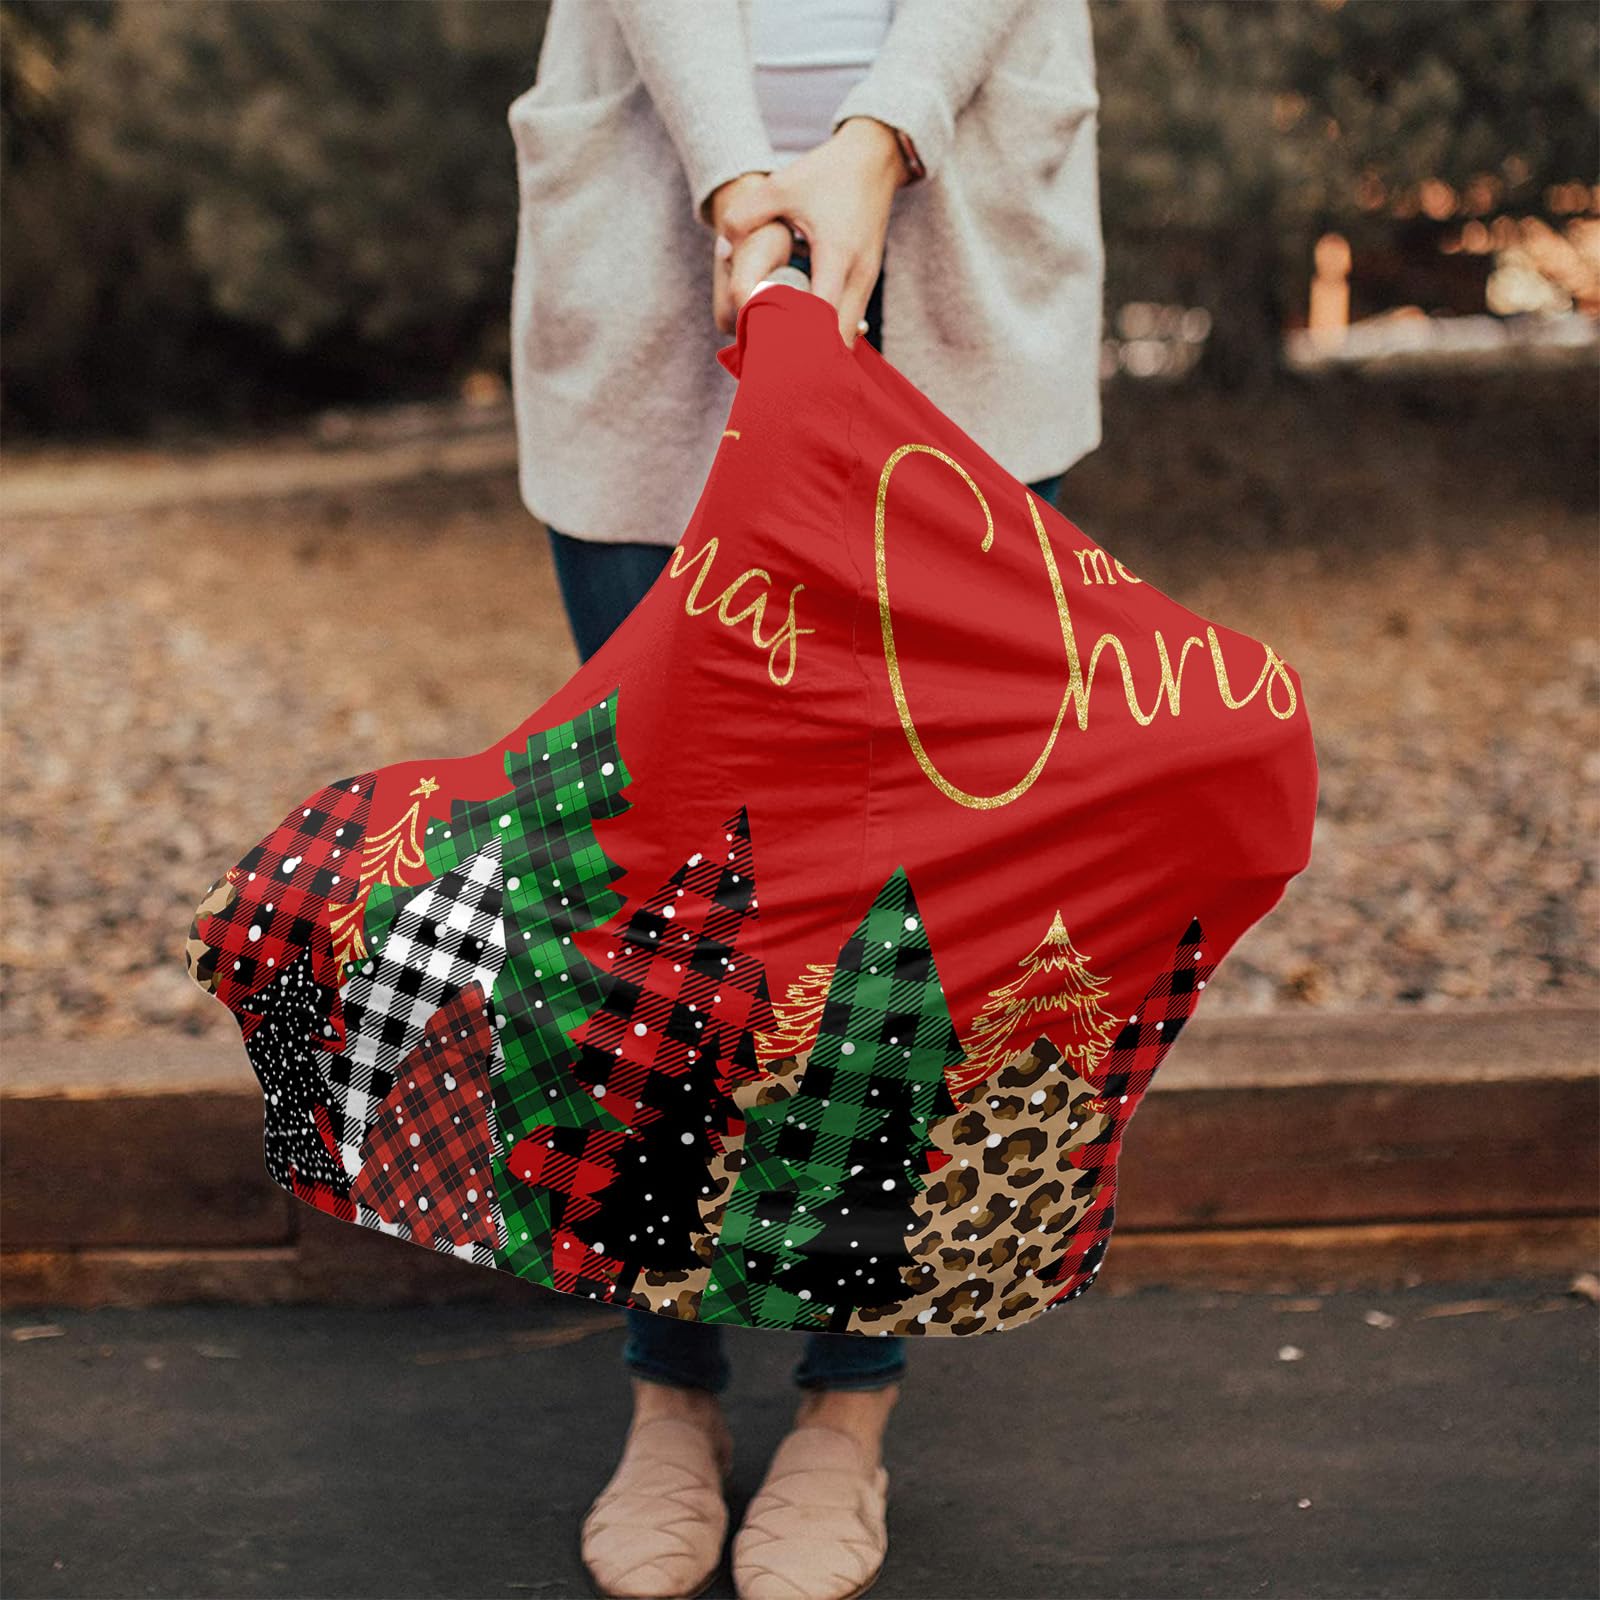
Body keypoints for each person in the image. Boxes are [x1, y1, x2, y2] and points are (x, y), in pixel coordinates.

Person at [505, 3, 1103, 1595]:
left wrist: (877, 136)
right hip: (657, 220)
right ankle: (670, 1389)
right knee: (666, 881)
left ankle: (848, 1404)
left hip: (956, 230)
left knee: (902, 892)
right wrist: (733, 178)